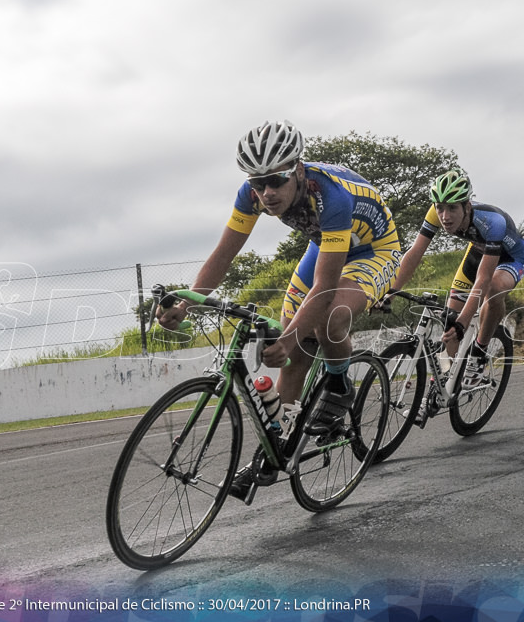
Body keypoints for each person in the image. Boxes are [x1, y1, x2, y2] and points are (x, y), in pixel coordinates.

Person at [157, 120, 402, 495]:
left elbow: (325, 287)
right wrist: (190, 301)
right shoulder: (251, 194)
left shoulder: (332, 197)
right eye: (258, 183)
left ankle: (339, 385)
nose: (267, 192)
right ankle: (275, 450)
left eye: (276, 180)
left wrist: (289, 338)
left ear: (298, 170)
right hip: (325, 243)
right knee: (293, 353)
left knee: (328, 321)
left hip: (374, 249)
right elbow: (225, 253)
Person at [387, 170, 524, 420]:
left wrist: (465, 322)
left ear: (466, 206)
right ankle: (436, 392)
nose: (445, 216)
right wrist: (391, 290)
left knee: (493, 289)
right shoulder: (436, 213)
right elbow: (415, 253)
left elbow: (483, 279)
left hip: (509, 259)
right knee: (449, 322)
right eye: (440, 207)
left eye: (452, 208)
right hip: (478, 253)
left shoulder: (491, 221)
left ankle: (478, 356)